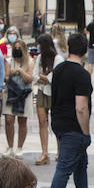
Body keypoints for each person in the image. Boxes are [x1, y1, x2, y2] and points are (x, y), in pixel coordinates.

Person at [47, 33, 94, 188]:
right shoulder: (81, 74)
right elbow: (81, 107)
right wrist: (86, 132)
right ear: (85, 50)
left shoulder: (59, 70)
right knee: (64, 169)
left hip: (59, 123)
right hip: (74, 128)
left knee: (81, 165)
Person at [3, 40, 33, 157]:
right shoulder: (9, 61)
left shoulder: (30, 61)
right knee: (9, 120)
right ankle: (10, 146)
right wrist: (10, 73)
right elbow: (5, 77)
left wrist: (20, 71)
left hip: (24, 94)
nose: (17, 50)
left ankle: (20, 147)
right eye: (15, 47)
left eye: (19, 48)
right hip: (10, 93)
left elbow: (29, 79)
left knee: (22, 121)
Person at [33, 34, 57, 165]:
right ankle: (45, 152)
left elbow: (54, 77)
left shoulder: (57, 58)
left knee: (56, 122)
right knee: (42, 121)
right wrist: (45, 77)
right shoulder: (40, 58)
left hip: (54, 92)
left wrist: (44, 77)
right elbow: (34, 76)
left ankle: (59, 151)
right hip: (42, 91)